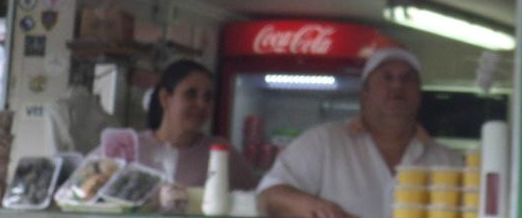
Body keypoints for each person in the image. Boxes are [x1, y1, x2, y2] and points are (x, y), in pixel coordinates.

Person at [256, 46, 463, 218]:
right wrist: (319, 208)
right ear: (364, 93)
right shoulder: (324, 142)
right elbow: (269, 195)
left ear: (419, 94)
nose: (398, 85)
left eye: (408, 78)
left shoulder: (449, 163)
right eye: (386, 77)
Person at [138, 59, 255, 189]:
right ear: (165, 98)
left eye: (208, 97)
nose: (201, 104)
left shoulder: (222, 154)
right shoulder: (133, 148)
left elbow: (254, 201)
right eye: (190, 94)